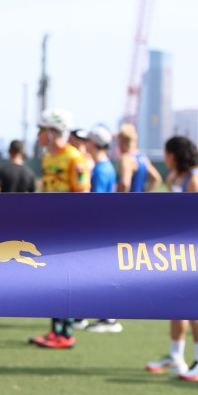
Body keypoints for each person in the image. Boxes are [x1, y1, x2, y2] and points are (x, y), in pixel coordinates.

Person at [145, 136, 198, 381]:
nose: (164, 158)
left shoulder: (196, 180)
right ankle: (176, 357)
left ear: (173, 154)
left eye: (166, 153)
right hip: (176, 251)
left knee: (196, 306)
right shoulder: (175, 177)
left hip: (195, 252)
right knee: (177, 304)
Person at [29, 108, 89, 350]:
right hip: (50, 228)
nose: (38, 135)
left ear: (53, 132)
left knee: (65, 281)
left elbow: (83, 194)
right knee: (52, 280)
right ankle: (55, 331)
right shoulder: (48, 158)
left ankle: (65, 333)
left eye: (41, 130)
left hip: (68, 229)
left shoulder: (74, 158)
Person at [77, 125, 123, 333]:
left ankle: (108, 318)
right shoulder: (105, 167)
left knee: (99, 274)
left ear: (93, 143)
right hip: (105, 227)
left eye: (87, 141)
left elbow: (93, 204)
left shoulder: (100, 170)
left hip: (99, 229)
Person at [117, 123, 161, 193]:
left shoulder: (127, 158)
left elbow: (125, 184)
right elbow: (156, 179)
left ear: (122, 140)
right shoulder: (143, 158)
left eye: (119, 141)